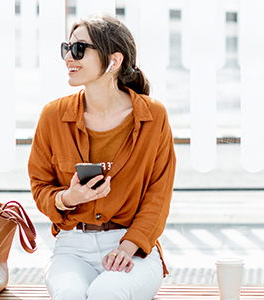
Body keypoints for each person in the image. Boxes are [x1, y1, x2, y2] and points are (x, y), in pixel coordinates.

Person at [28, 13, 177, 300]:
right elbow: (40, 187)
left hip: (132, 248)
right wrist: (69, 198)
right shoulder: (53, 116)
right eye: (66, 48)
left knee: (107, 294)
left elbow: (158, 197)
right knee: (70, 295)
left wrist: (127, 247)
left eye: (79, 49)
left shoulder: (153, 116)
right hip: (72, 248)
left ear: (114, 60)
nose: (69, 57)